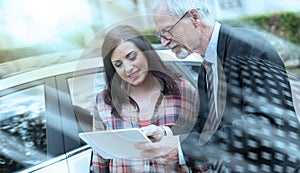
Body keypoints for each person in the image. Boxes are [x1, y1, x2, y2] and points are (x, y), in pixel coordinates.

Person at [136, 0, 300, 172]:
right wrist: (167, 134)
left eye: (167, 31)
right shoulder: (207, 66)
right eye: (160, 35)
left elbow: (262, 123)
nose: (164, 42)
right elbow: (205, 124)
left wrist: (184, 150)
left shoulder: (248, 47)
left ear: (194, 17)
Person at [91, 25, 199, 173]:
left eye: (132, 57)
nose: (128, 68)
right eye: (118, 64)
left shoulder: (183, 91)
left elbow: (201, 148)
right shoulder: (103, 102)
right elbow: (100, 161)